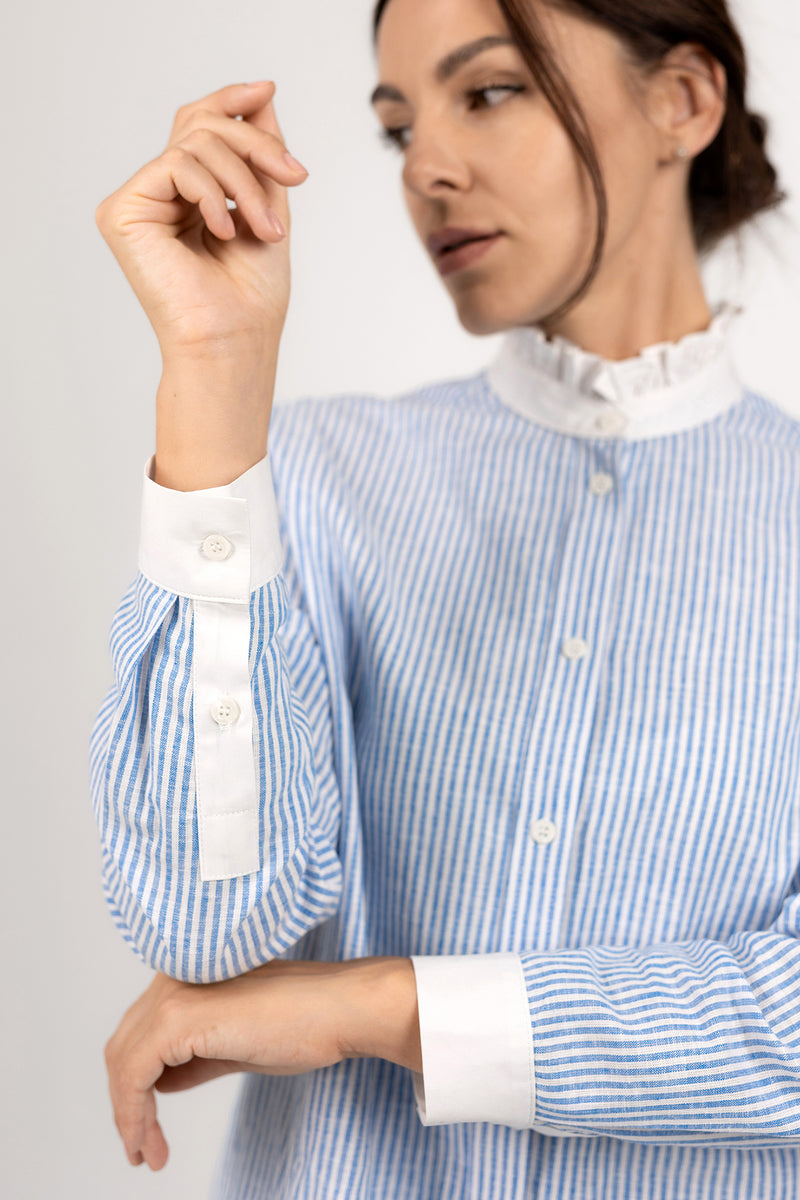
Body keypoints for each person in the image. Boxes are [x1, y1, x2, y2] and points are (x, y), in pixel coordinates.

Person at [90, 0, 800, 1195]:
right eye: (396, 126)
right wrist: (213, 373)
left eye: (488, 92)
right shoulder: (303, 482)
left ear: (680, 101)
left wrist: (381, 1005)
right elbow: (202, 932)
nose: (424, 167)